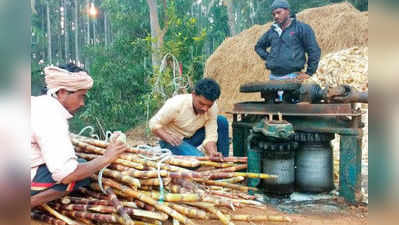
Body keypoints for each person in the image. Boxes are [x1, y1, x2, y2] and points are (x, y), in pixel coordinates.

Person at [31, 63, 129, 208]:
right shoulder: (51, 114)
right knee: (78, 175)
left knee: (79, 163)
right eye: (80, 96)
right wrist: (106, 158)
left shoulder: (38, 103)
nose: (82, 103)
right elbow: (66, 175)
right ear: (62, 92)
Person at [149, 78, 229, 157]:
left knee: (221, 121)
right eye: (201, 104)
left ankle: (222, 160)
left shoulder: (212, 108)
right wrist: (167, 137)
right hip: (172, 140)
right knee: (198, 159)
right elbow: (153, 123)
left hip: (192, 137)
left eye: (209, 105)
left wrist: (212, 152)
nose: (205, 109)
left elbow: (211, 135)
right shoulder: (176, 104)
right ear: (193, 94)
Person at [255, 0, 321, 80]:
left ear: (287, 11)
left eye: (278, 12)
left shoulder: (301, 28)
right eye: (273, 14)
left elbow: (314, 50)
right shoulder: (272, 31)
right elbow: (258, 47)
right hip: (273, 78)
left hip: (293, 77)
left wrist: (309, 72)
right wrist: (270, 58)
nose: (276, 16)